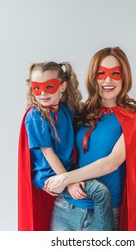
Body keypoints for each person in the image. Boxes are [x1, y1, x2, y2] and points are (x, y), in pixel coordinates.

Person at [46, 47, 136, 230]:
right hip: (67, 207)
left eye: (115, 73)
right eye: (101, 73)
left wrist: (64, 178)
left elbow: (112, 162)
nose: (108, 80)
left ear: (124, 77)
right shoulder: (80, 111)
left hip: (103, 211)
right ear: (93, 77)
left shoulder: (133, 117)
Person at [18, 61, 114, 231]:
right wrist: (68, 181)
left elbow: (84, 113)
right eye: (37, 88)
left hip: (67, 171)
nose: (42, 93)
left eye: (49, 86)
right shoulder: (35, 116)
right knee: (100, 192)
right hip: (50, 176)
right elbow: (48, 153)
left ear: (62, 86)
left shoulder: (64, 110)